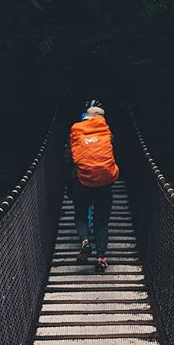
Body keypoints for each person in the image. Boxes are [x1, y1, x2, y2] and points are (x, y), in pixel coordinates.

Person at [68, 99, 119, 273]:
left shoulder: (76, 130)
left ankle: (84, 241)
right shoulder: (107, 131)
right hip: (104, 183)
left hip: (83, 182)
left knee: (80, 214)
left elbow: (72, 155)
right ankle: (101, 257)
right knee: (101, 222)